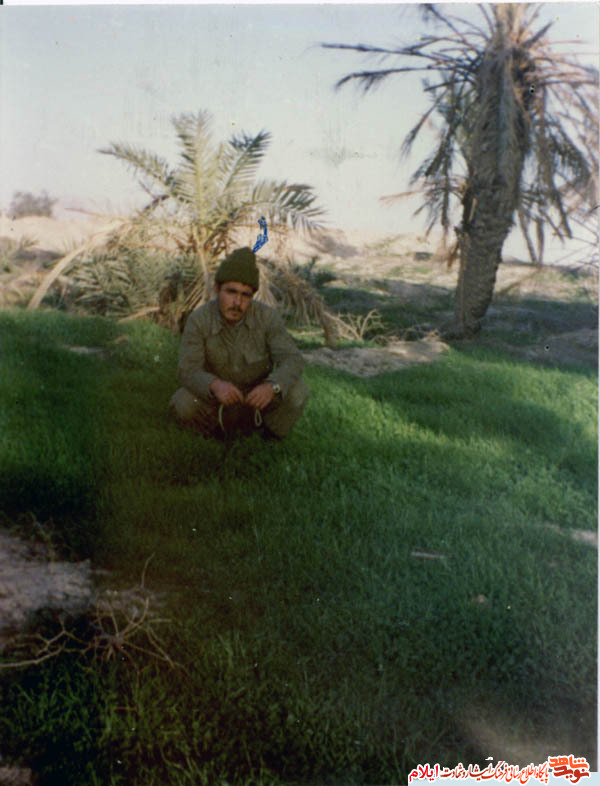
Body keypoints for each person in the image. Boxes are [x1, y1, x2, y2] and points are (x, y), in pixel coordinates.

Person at [170, 247, 309, 441]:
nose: (237, 302)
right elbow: (187, 369)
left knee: (298, 391)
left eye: (246, 295)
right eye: (231, 292)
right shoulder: (199, 319)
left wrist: (272, 387)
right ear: (217, 289)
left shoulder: (268, 318)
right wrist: (214, 385)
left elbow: (292, 359)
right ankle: (214, 434)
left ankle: (269, 437)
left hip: (257, 400)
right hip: (217, 400)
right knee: (182, 402)